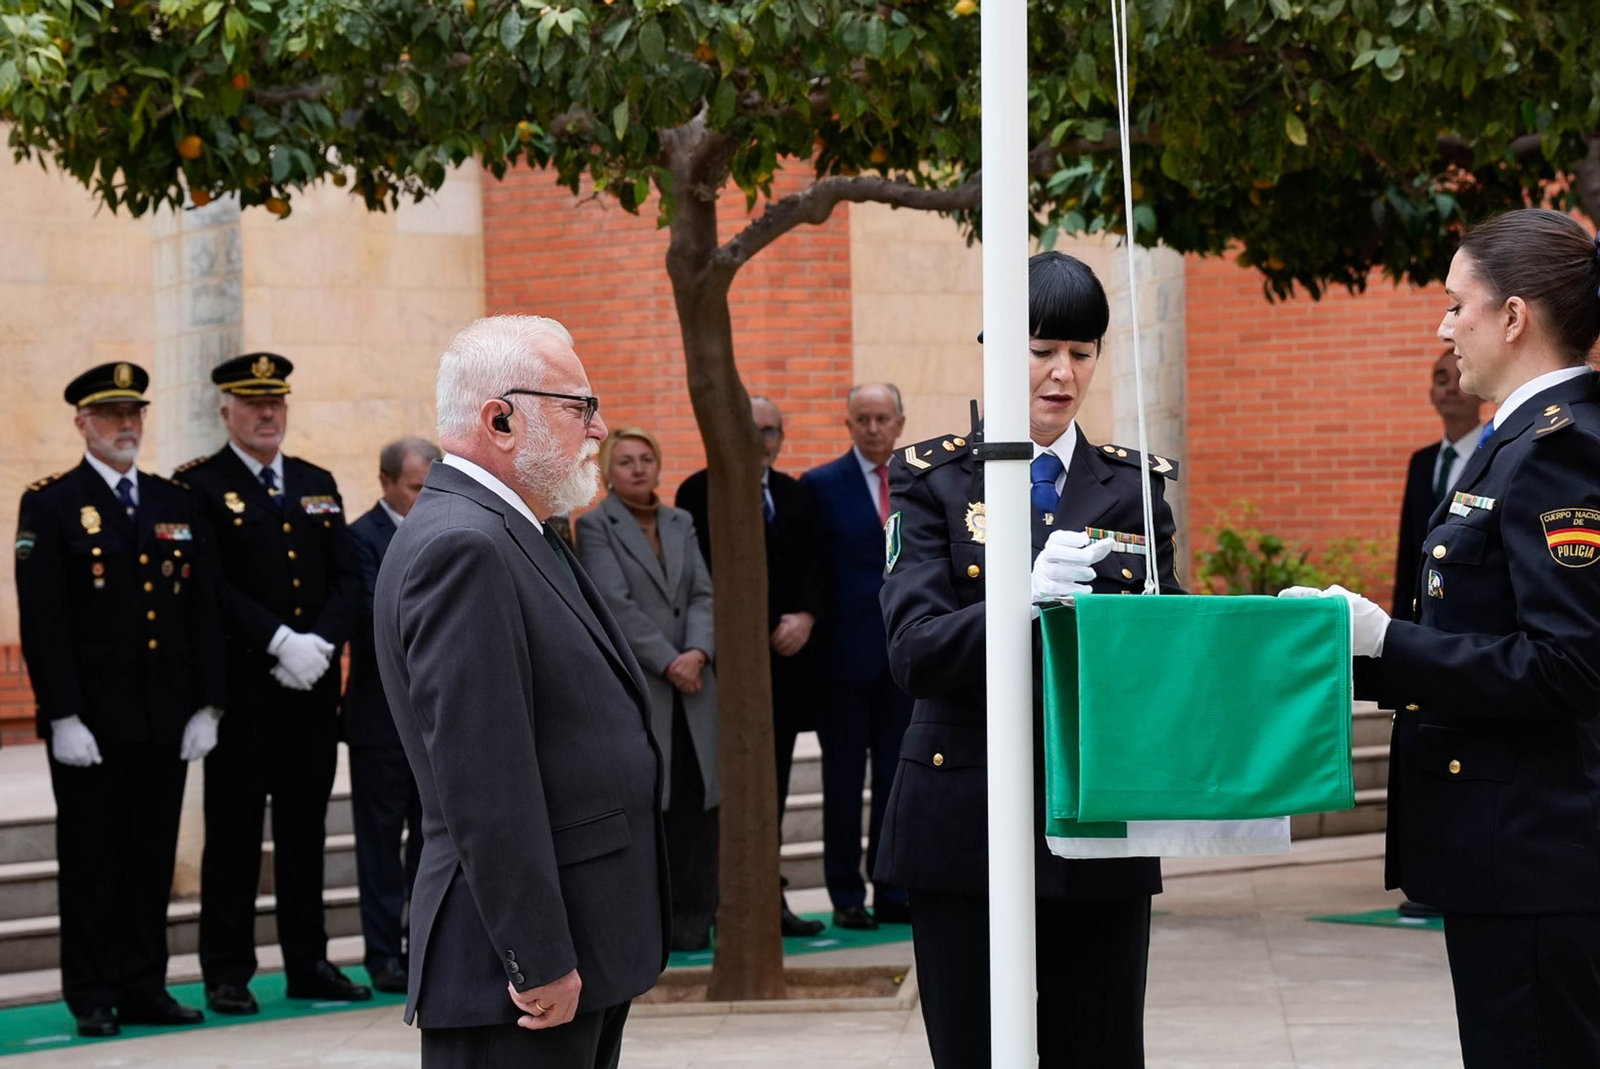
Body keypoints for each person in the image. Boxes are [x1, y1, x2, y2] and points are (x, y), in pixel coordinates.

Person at [1284, 208, 1600, 1069]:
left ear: (1513, 316)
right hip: (1508, 850)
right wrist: (1356, 647)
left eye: (1457, 302)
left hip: (1535, 852)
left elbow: (1568, 666)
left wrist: (1390, 642)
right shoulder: (1519, 443)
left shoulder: (1559, 451)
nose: (1444, 324)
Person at [878, 251, 1181, 1067]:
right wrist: (1015, 605)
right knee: (974, 1047)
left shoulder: (1134, 487)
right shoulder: (933, 481)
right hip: (964, 814)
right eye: (1043, 348)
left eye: (1081, 352)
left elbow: (1166, 650)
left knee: (1102, 1046)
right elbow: (913, 650)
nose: (1062, 372)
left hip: (1093, 819)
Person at [373, 315, 668, 1069]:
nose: (599, 426)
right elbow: (484, 781)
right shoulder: (461, 544)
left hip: (575, 943)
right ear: (500, 418)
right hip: (517, 972)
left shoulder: (512, 526)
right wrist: (536, 957)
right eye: (579, 406)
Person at [13, 363, 224, 1037]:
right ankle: (93, 993)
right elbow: (43, 620)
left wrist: (208, 703)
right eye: (110, 414)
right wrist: (62, 713)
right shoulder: (49, 502)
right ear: (82, 423)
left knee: (150, 858)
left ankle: (143, 983)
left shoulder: (172, 500)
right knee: (91, 862)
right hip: (93, 726)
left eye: (134, 412)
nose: (126, 425)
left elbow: (200, 611)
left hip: (164, 719)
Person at [176, 353, 369, 1013]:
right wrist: (278, 640)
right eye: (253, 403)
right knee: (233, 837)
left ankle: (309, 961)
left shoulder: (316, 480)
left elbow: (348, 574)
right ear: (226, 410)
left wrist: (320, 641)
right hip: (246, 694)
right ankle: (227, 970)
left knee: (304, 833)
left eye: (276, 403)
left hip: (312, 691)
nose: (267, 414)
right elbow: (210, 584)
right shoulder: (197, 486)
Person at [676, 395, 828, 939]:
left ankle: (771, 898)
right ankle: (712, 903)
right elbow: (695, 579)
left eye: (769, 431)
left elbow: (817, 564)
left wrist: (806, 616)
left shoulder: (795, 493)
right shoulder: (696, 492)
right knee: (719, 790)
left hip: (784, 672)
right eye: (751, 429)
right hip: (718, 671)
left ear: (780, 438)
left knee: (774, 787)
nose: (760, 440)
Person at [575, 427, 719, 952]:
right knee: (652, 802)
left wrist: (699, 653)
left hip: (697, 684)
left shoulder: (681, 521)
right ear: (608, 472)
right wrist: (671, 661)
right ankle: (654, 921)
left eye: (646, 460)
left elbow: (703, 592)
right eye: (625, 461)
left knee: (698, 802)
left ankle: (696, 915)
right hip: (645, 686)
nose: (637, 469)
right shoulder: (595, 526)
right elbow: (616, 606)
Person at [801, 383, 915, 930]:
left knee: (898, 778)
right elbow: (812, 570)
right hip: (842, 662)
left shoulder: (919, 481)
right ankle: (845, 894)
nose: (873, 428)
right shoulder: (820, 485)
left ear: (899, 422)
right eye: (862, 419)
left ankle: (894, 887)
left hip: (906, 658)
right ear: (848, 425)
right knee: (843, 783)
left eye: (882, 419)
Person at [342, 436, 442, 994]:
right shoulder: (359, 539)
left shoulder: (445, 530)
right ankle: (383, 954)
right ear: (385, 483)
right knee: (380, 844)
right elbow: (370, 613)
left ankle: (425, 945)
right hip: (379, 721)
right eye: (415, 488)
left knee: (430, 843)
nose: (426, 498)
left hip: (435, 722)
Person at [1393, 349, 1485, 620]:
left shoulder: (1495, 453)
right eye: (1442, 380)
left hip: (1475, 613)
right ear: (1431, 394)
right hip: (1423, 614)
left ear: (1478, 389)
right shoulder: (1421, 461)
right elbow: (1409, 546)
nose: (1451, 389)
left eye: (1460, 378)